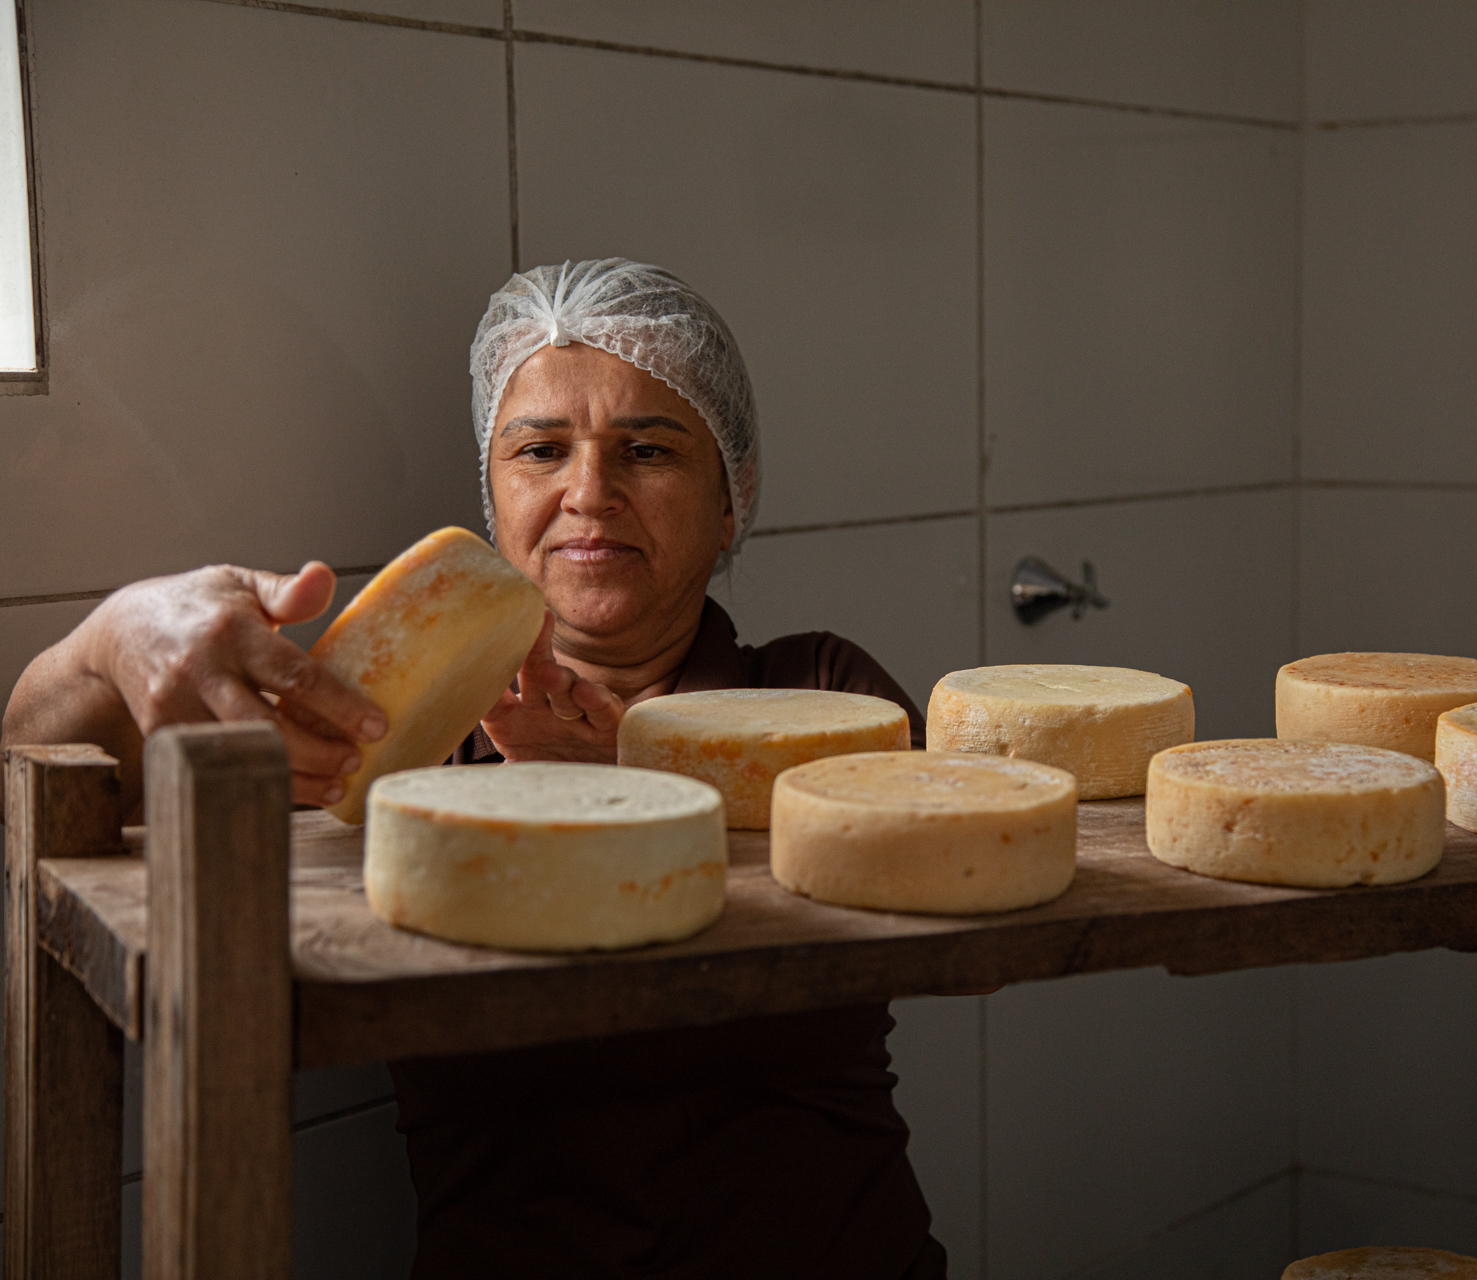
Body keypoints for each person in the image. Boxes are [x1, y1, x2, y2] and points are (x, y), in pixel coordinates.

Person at [1, 259, 947, 1279]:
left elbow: (930, 887)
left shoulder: (821, 692)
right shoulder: (406, 735)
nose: (590, 493)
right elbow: (43, 780)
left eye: (648, 450)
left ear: (730, 501)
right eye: (541, 449)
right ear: (494, 497)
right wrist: (113, 642)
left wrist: (641, 784)